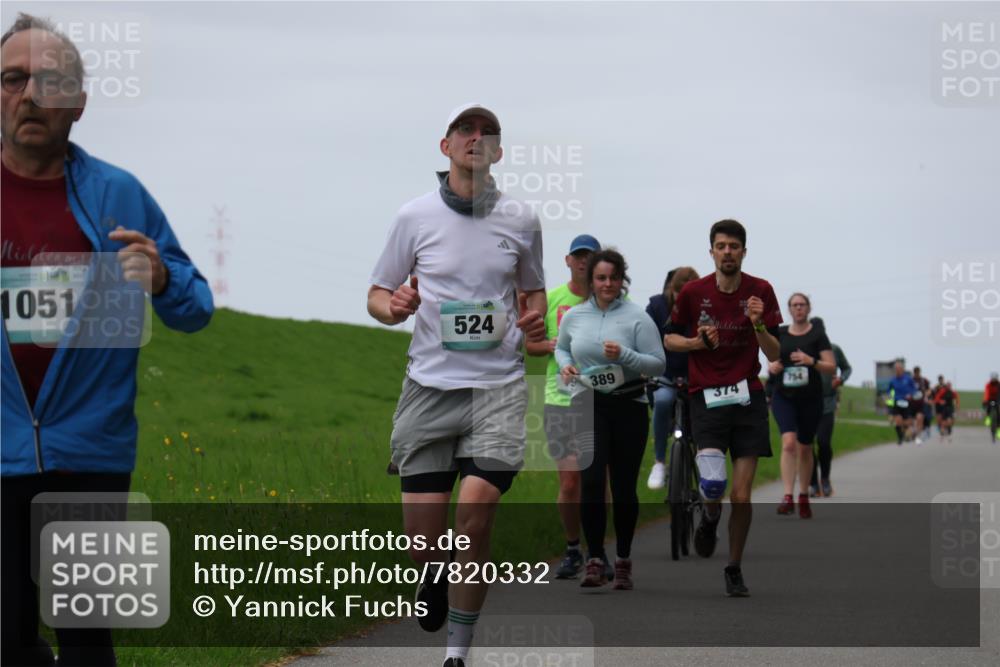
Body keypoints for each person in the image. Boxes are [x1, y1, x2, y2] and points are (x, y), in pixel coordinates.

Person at [1, 14, 213, 666]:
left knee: (87, 638)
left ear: (80, 103)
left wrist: (159, 276)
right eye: (13, 78)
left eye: (51, 80)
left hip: (91, 452)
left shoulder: (119, 193)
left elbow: (195, 306)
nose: (31, 93)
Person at [367, 103, 546, 667]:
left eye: (486, 133)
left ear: (498, 152)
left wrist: (535, 316)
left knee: (474, 516)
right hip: (429, 388)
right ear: (445, 148)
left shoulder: (521, 219)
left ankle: (457, 654)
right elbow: (377, 294)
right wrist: (394, 307)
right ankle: (433, 576)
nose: (475, 139)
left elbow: (533, 291)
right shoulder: (413, 217)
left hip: (498, 389)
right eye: (464, 131)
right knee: (423, 541)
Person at [665, 219, 782, 597]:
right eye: (721, 246)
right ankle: (709, 517)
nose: (727, 252)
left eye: (734, 246)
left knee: (743, 495)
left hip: (747, 398)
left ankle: (733, 567)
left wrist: (758, 323)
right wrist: (698, 344)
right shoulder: (693, 292)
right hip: (707, 398)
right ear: (711, 252)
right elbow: (669, 339)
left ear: (744, 252)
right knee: (714, 486)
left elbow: (775, 353)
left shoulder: (760, 291)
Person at [555, 248, 665, 590]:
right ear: (591, 280)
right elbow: (561, 347)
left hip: (628, 405)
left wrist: (626, 355)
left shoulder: (637, 317)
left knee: (622, 486)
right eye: (601, 278)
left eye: (613, 278)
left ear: (622, 280)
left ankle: (623, 559)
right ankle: (595, 558)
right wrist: (565, 366)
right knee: (590, 481)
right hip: (588, 404)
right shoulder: (574, 316)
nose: (607, 284)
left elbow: (657, 363)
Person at [526, 233, 601, 579]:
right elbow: (532, 345)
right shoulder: (553, 298)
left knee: (598, 480)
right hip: (559, 398)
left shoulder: (613, 299)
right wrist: (555, 345)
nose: (584, 261)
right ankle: (573, 547)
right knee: (570, 480)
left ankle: (599, 550)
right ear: (568, 261)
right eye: (578, 256)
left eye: (590, 256)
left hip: (600, 398)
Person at [767, 295, 835, 518]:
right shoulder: (781, 333)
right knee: (788, 443)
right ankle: (788, 496)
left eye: (802, 305)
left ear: (808, 308)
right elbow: (769, 356)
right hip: (783, 396)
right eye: (794, 305)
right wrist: (772, 366)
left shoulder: (817, 334)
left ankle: (803, 494)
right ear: (789, 309)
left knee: (805, 447)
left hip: (810, 398)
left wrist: (811, 361)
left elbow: (831, 367)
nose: (798, 308)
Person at [646, 266, 699, 490]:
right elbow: (644, 337)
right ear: (671, 290)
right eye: (679, 296)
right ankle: (659, 461)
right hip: (664, 373)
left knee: (702, 415)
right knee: (664, 400)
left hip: (696, 376)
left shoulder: (703, 309)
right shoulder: (657, 307)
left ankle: (703, 461)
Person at [806, 317, 851, 498]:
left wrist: (840, 379)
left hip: (827, 403)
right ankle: (813, 484)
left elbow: (846, 368)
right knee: (807, 447)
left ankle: (825, 479)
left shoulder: (834, 349)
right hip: (806, 404)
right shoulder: (803, 350)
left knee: (823, 443)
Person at [886, 361, 918, 445]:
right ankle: (900, 438)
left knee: (906, 422)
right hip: (897, 402)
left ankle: (909, 431)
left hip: (906, 402)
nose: (897, 370)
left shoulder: (908, 379)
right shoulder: (892, 381)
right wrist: (889, 405)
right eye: (896, 369)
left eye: (899, 369)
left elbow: (914, 389)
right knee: (898, 420)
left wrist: (910, 394)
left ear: (902, 369)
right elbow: (889, 392)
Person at [911, 366, 932, 444]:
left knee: (920, 419)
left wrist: (926, 394)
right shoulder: (910, 380)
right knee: (913, 421)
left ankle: (917, 436)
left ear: (920, 372)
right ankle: (914, 431)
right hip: (912, 403)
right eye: (916, 372)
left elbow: (929, 390)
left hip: (921, 403)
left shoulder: (924, 381)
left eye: (918, 372)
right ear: (914, 372)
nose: (917, 374)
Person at [984, 372, 1000, 442]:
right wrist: (985, 400)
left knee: (998, 414)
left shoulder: (999, 385)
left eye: (994, 378)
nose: (993, 380)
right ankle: (988, 418)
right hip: (990, 399)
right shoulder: (988, 385)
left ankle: (999, 431)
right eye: (992, 378)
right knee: (988, 408)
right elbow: (986, 393)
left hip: (998, 399)